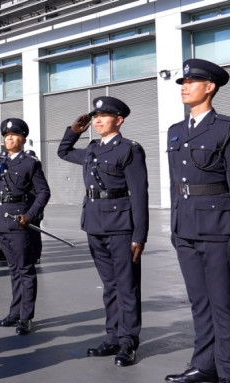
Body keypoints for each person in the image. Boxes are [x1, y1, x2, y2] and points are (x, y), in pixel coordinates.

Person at [58, 96, 148, 367]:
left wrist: (139, 234)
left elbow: (140, 194)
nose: (97, 120)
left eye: (104, 116)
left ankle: (128, 341)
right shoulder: (92, 148)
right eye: (95, 116)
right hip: (94, 223)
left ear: (118, 120)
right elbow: (63, 151)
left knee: (127, 286)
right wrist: (74, 131)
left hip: (121, 225)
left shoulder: (129, 149)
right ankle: (112, 337)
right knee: (110, 286)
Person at [164, 59, 230, 383]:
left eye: (192, 81)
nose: (184, 86)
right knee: (199, 304)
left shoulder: (225, 129)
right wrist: (175, 227)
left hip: (219, 231)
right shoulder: (175, 132)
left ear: (210, 87)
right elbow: (178, 183)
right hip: (186, 229)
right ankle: (205, 367)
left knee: (223, 307)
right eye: (182, 82)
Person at [0, 119, 51, 336]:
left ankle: (26, 316)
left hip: (20, 221)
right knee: (13, 271)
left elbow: (43, 192)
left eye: (14, 135)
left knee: (25, 270)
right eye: (6, 135)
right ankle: (14, 313)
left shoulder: (30, 163)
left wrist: (29, 215)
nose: (9, 138)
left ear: (22, 138)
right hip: (1, 221)